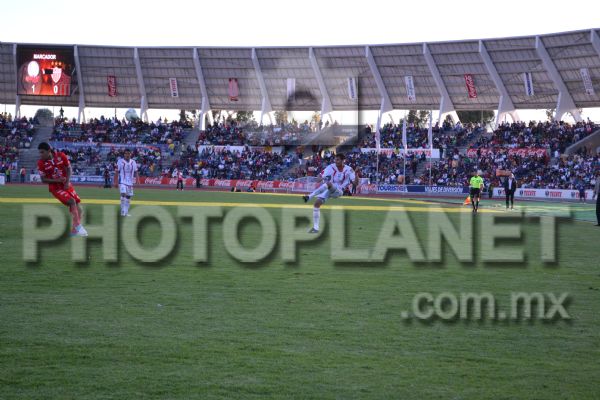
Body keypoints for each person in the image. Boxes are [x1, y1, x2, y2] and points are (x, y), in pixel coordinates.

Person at [36, 142, 87, 237]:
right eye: (40, 152)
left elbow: (69, 168)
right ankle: (78, 226)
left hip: (66, 185)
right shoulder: (41, 163)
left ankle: (74, 232)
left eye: (42, 152)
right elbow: (43, 180)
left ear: (49, 151)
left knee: (79, 207)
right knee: (71, 201)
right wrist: (57, 180)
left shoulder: (61, 156)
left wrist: (67, 182)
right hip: (55, 188)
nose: (40, 155)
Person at [302, 153, 358, 233]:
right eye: (335, 159)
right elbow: (318, 178)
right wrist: (322, 178)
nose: (336, 161)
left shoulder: (349, 169)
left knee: (328, 184)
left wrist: (356, 174)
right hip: (329, 189)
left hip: (339, 191)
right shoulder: (331, 167)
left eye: (338, 160)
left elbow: (355, 183)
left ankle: (309, 196)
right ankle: (315, 228)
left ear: (343, 161)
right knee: (316, 204)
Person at [116, 149, 138, 217]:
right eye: (126, 153)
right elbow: (117, 171)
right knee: (123, 194)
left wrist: (137, 180)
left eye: (128, 153)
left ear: (130, 154)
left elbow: (136, 171)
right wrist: (115, 182)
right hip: (122, 181)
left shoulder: (133, 162)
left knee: (128, 197)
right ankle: (122, 211)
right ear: (124, 154)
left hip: (130, 182)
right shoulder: (120, 161)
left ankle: (126, 212)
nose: (127, 155)